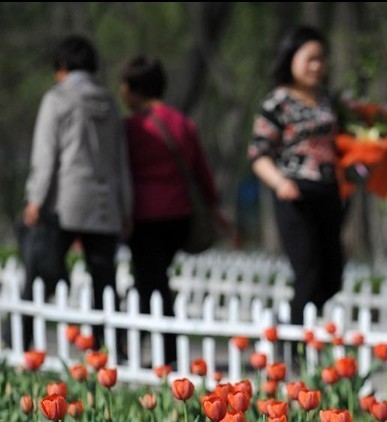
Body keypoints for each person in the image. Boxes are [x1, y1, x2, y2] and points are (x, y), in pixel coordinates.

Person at [119, 54, 233, 367]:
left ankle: (159, 350)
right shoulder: (182, 123)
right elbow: (201, 173)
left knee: (150, 281)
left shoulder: (131, 128)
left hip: (143, 217)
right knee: (154, 279)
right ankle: (147, 345)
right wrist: (212, 207)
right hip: (178, 216)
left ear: (134, 89)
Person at [22, 34, 132, 352]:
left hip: (65, 202)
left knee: (41, 273)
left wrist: (35, 198)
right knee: (104, 281)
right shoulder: (110, 104)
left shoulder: (57, 99)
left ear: (63, 66)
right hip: (104, 205)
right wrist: (126, 208)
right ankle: (110, 347)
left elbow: (45, 157)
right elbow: (121, 161)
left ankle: (20, 339)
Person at [247, 25, 345, 329]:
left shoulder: (328, 100)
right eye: (310, 58)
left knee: (333, 276)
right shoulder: (277, 102)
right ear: (291, 58)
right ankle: (292, 340)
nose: (317, 66)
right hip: (295, 192)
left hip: (328, 191)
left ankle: (291, 319)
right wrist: (279, 183)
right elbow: (258, 153)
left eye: (321, 59)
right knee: (308, 271)